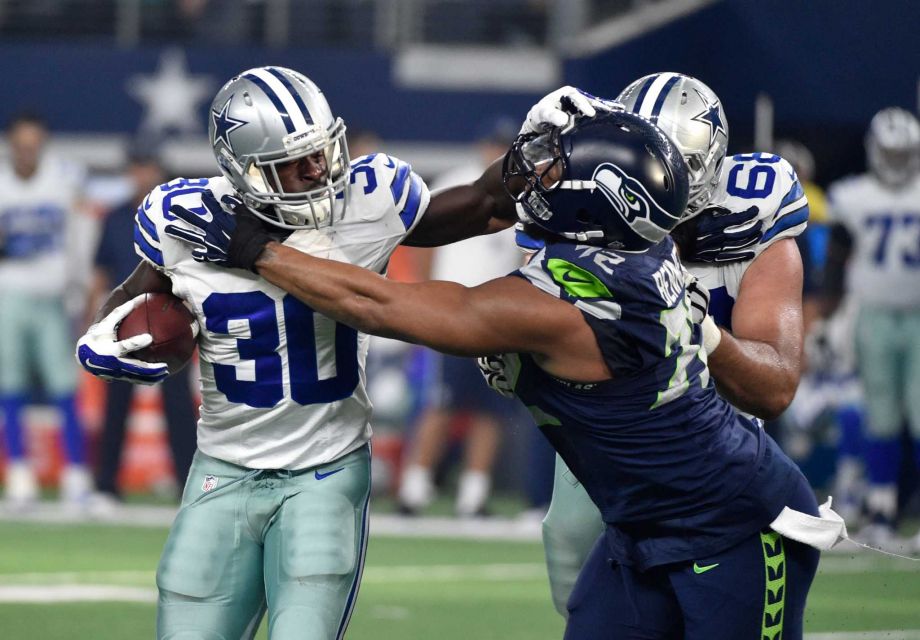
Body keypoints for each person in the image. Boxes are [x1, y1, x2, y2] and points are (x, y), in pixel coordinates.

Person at [164, 109, 826, 640]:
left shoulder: (572, 302)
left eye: (554, 169)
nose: (534, 178)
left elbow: (379, 303)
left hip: (738, 528)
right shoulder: (626, 250)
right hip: (638, 530)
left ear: (599, 202)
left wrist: (255, 249)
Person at [75, 66, 522, 640]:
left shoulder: (367, 202)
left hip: (326, 470)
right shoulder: (188, 221)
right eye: (296, 162)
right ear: (245, 171)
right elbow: (126, 306)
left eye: (323, 152)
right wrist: (106, 337)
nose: (320, 171)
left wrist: (533, 168)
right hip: (224, 470)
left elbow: (484, 207)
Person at [485, 74, 812, 617]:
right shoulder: (586, 195)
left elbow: (775, 384)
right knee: (568, 536)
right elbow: (538, 291)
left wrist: (702, 333)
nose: (647, 174)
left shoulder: (754, 208)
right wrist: (517, 349)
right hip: (613, 417)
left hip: (713, 433)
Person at [398, 115, 525, 518]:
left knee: (492, 409)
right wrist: (424, 296)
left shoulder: (524, 195)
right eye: (492, 145)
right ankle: (413, 489)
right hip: (451, 310)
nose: (495, 152)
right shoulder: (458, 181)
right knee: (441, 403)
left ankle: (473, 494)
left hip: (497, 317)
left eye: (503, 146)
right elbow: (421, 243)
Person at [822, 107, 920, 548]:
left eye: (904, 152)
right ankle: (880, 511)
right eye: (891, 152)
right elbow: (836, 263)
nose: (897, 161)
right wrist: (826, 318)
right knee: (880, 414)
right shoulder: (854, 196)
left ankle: (900, 511)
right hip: (874, 314)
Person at [84, 147, 197, 509]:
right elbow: (101, 273)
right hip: (123, 322)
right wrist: (95, 319)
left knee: (178, 406)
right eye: (138, 168)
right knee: (116, 405)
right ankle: (105, 486)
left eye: (149, 168)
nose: (143, 175)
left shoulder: (176, 218)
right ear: (130, 172)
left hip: (169, 321)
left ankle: (187, 485)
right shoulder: (115, 217)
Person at [0, 111, 91, 507]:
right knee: (10, 386)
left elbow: (78, 237)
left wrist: (81, 289)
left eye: (33, 146)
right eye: (20, 145)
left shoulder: (63, 179)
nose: (26, 153)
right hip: (9, 296)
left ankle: (76, 475)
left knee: (64, 387)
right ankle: (20, 474)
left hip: (53, 296)